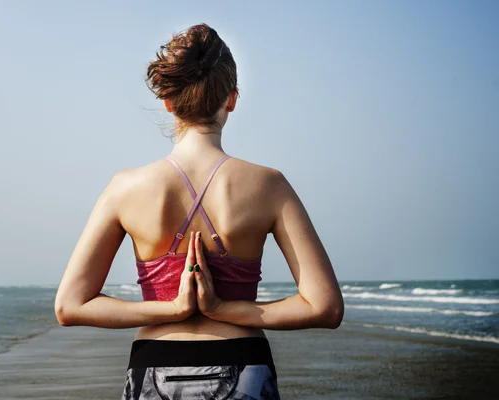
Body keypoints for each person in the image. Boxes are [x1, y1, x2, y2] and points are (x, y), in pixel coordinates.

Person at [55, 23, 344, 400]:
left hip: (155, 361)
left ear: (169, 102)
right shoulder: (269, 185)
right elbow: (325, 308)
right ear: (232, 98)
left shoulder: (125, 188)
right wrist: (224, 308)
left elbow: (70, 305)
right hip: (244, 361)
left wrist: (173, 310)